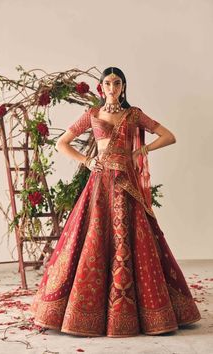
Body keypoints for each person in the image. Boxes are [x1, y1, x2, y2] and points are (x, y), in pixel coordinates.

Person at [30, 67, 201, 337]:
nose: (112, 87)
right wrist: (86, 161)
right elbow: (62, 143)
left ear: (123, 86)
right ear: (101, 87)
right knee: (92, 239)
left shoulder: (133, 115)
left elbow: (169, 136)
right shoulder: (92, 114)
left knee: (134, 241)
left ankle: (145, 314)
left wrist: (141, 150)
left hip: (127, 185)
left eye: (117, 83)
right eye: (108, 83)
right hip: (99, 185)